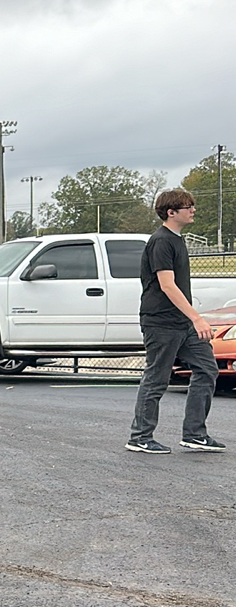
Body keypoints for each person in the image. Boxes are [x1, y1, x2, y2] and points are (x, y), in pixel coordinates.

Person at [126, 190, 223, 454]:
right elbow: (167, 286)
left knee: (207, 369)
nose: (193, 210)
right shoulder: (161, 241)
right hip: (161, 322)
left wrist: (190, 320)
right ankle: (140, 437)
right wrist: (197, 318)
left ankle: (194, 434)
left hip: (182, 324)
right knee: (157, 379)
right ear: (171, 212)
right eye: (187, 206)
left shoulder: (178, 240)